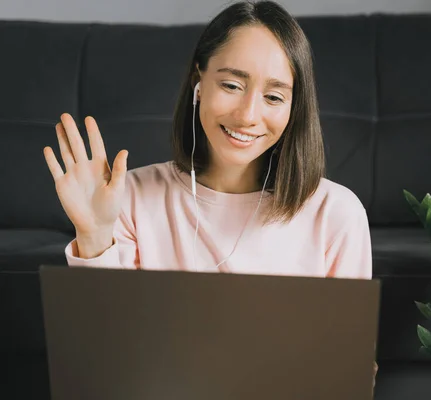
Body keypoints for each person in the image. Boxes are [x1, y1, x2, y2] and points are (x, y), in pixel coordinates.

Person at [43, 0, 377, 388]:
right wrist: (95, 235)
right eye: (232, 85)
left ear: (294, 107)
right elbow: (104, 365)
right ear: (198, 82)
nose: (249, 115)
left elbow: (347, 376)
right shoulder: (128, 196)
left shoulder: (336, 213)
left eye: (274, 96)